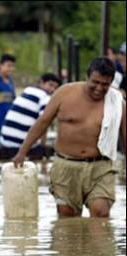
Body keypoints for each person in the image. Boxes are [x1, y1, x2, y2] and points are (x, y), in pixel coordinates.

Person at [14, 57, 126, 218]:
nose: (99, 88)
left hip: (101, 167)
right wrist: (22, 152)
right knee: (67, 217)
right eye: (95, 82)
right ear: (87, 77)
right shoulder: (64, 93)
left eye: (105, 84)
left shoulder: (117, 103)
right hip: (66, 165)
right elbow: (42, 123)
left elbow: (125, 138)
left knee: (101, 213)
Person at [0, 73, 62, 160]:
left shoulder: (27, 90)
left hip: (4, 142)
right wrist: (43, 146)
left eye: (55, 87)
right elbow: (44, 122)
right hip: (21, 147)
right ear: (41, 83)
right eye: (50, 85)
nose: (52, 89)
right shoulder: (44, 97)